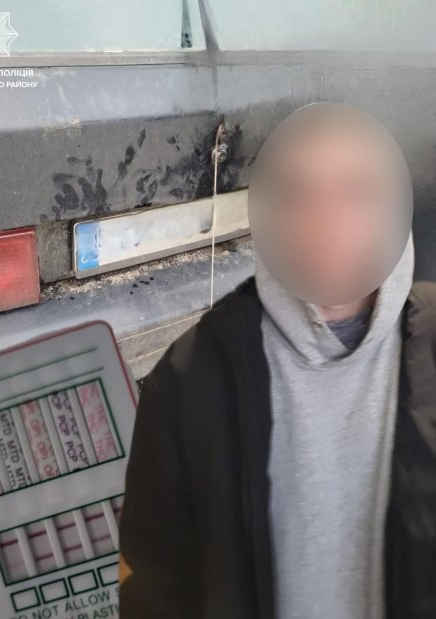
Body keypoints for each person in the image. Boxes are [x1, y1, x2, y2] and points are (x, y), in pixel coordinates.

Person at [117, 102, 436, 619]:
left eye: (355, 192)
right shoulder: (187, 381)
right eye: (299, 195)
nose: (326, 222)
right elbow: (155, 579)